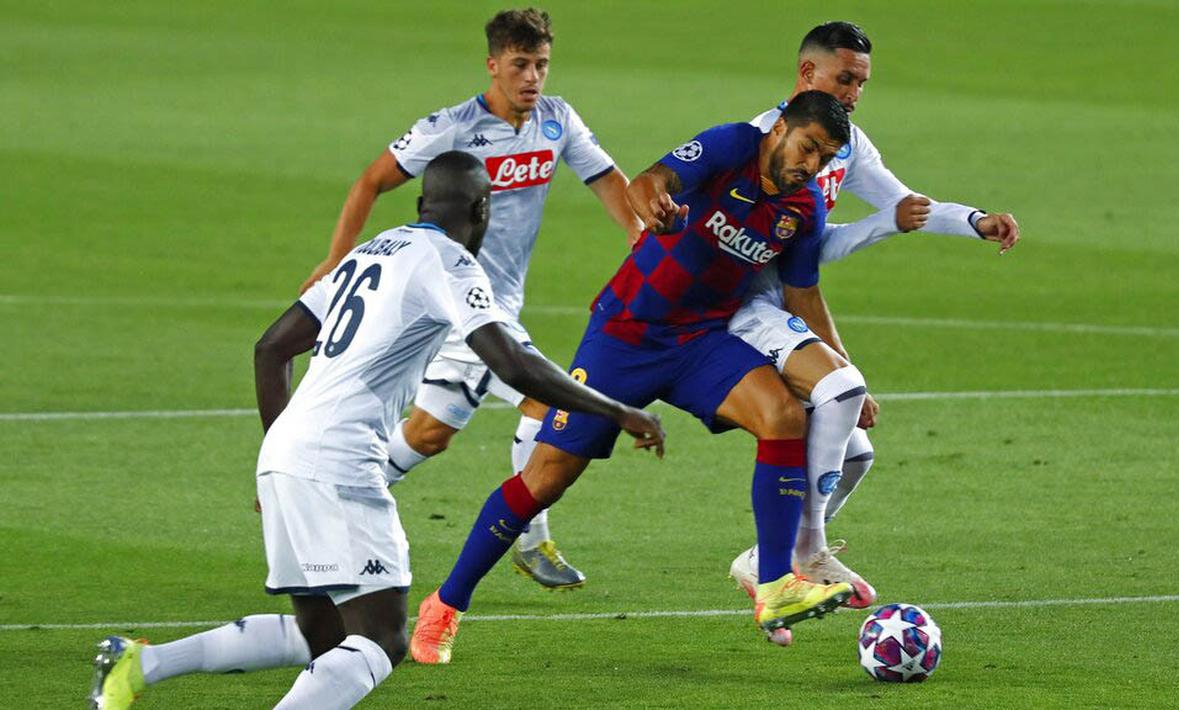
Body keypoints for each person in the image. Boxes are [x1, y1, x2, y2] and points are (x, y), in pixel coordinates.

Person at [87, 152, 664, 710]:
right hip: (338, 464)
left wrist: (275, 453)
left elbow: (271, 349)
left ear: (422, 201)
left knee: (322, 636)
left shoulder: (369, 251)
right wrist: (614, 409)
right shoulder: (450, 262)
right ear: (484, 210)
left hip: (286, 455)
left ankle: (140, 664)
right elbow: (510, 362)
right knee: (381, 641)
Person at [410, 91, 863, 665]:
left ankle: (774, 585)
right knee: (545, 480)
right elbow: (645, 183)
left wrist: (843, 365)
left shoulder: (803, 209)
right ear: (779, 130)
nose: (811, 165)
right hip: (625, 335)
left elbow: (803, 292)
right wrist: (657, 207)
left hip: (699, 340)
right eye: (807, 147)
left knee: (783, 416)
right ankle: (445, 606)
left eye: (824, 158)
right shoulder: (731, 145)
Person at [301, 8, 644, 589]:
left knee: (429, 434)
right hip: (461, 302)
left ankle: (325, 498)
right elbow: (371, 180)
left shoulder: (557, 122)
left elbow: (608, 179)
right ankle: (532, 541)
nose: (532, 77)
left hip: (492, 304)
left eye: (541, 65)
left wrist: (641, 240)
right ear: (492, 65)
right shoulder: (451, 128)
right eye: (520, 65)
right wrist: (335, 258)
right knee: (543, 405)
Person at [726, 21, 1021, 624]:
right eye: (845, 79)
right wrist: (881, 226)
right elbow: (793, 254)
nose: (855, 92)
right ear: (808, 74)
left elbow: (899, 202)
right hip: (737, 306)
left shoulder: (846, 142)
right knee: (843, 390)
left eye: (862, 81)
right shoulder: (768, 142)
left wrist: (974, 221)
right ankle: (797, 554)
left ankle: (768, 556)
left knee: (855, 454)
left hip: (782, 302)